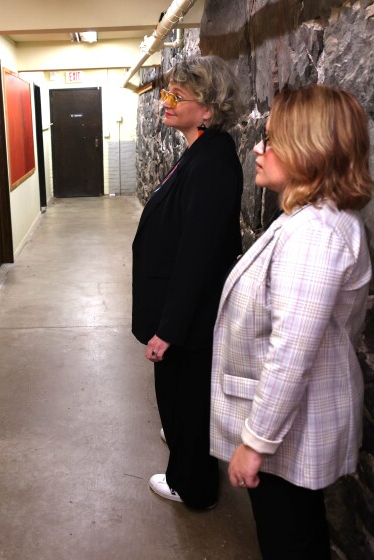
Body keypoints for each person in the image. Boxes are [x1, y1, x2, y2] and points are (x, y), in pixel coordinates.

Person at [209, 85, 374, 558]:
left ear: (312, 150)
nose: (258, 150)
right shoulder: (312, 219)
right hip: (293, 424)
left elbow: (291, 352)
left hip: (288, 431)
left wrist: (254, 443)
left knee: (290, 539)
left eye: (273, 140)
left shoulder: (314, 235)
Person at [131, 55, 244, 509]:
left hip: (187, 322)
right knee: (181, 397)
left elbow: (197, 255)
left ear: (209, 109)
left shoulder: (213, 164)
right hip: (181, 313)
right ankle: (184, 451)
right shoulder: (199, 154)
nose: (168, 101)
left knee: (186, 397)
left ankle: (190, 484)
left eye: (180, 95)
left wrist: (168, 330)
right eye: (167, 92)